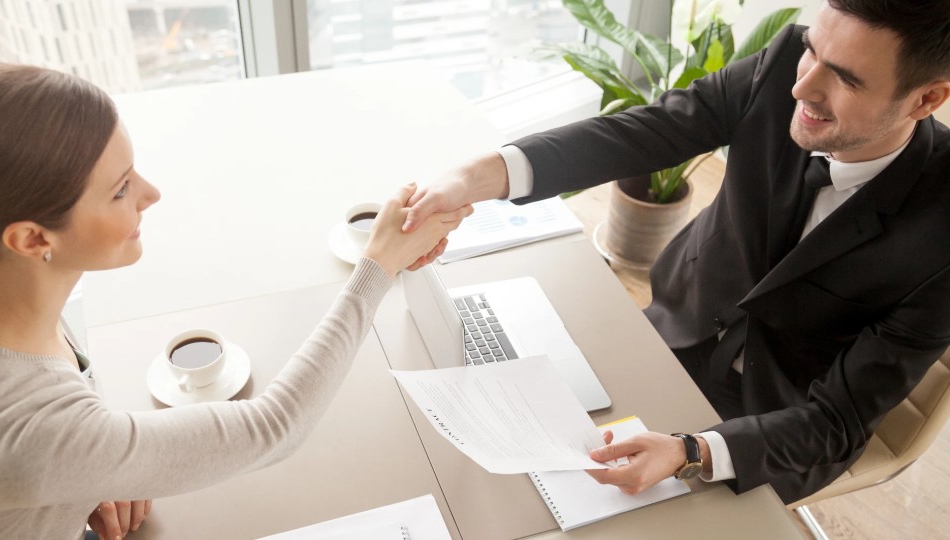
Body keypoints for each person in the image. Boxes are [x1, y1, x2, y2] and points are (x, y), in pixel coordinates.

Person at [401, 0, 950, 504]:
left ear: (926, 98)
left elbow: (837, 421)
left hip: (777, 422)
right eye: (813, 50)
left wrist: (696, 452)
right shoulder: (785, 63)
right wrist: (478, 176)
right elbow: (651, 131)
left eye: (847, 79)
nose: (802, 87)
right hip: (672, 330)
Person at [0, 64, 470, 540]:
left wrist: (86, 475)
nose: (151, 195)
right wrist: (379, 266)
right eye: (120, 190)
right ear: (31, 239)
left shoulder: (18, 296)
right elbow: (275, 425)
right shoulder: (33, 428)